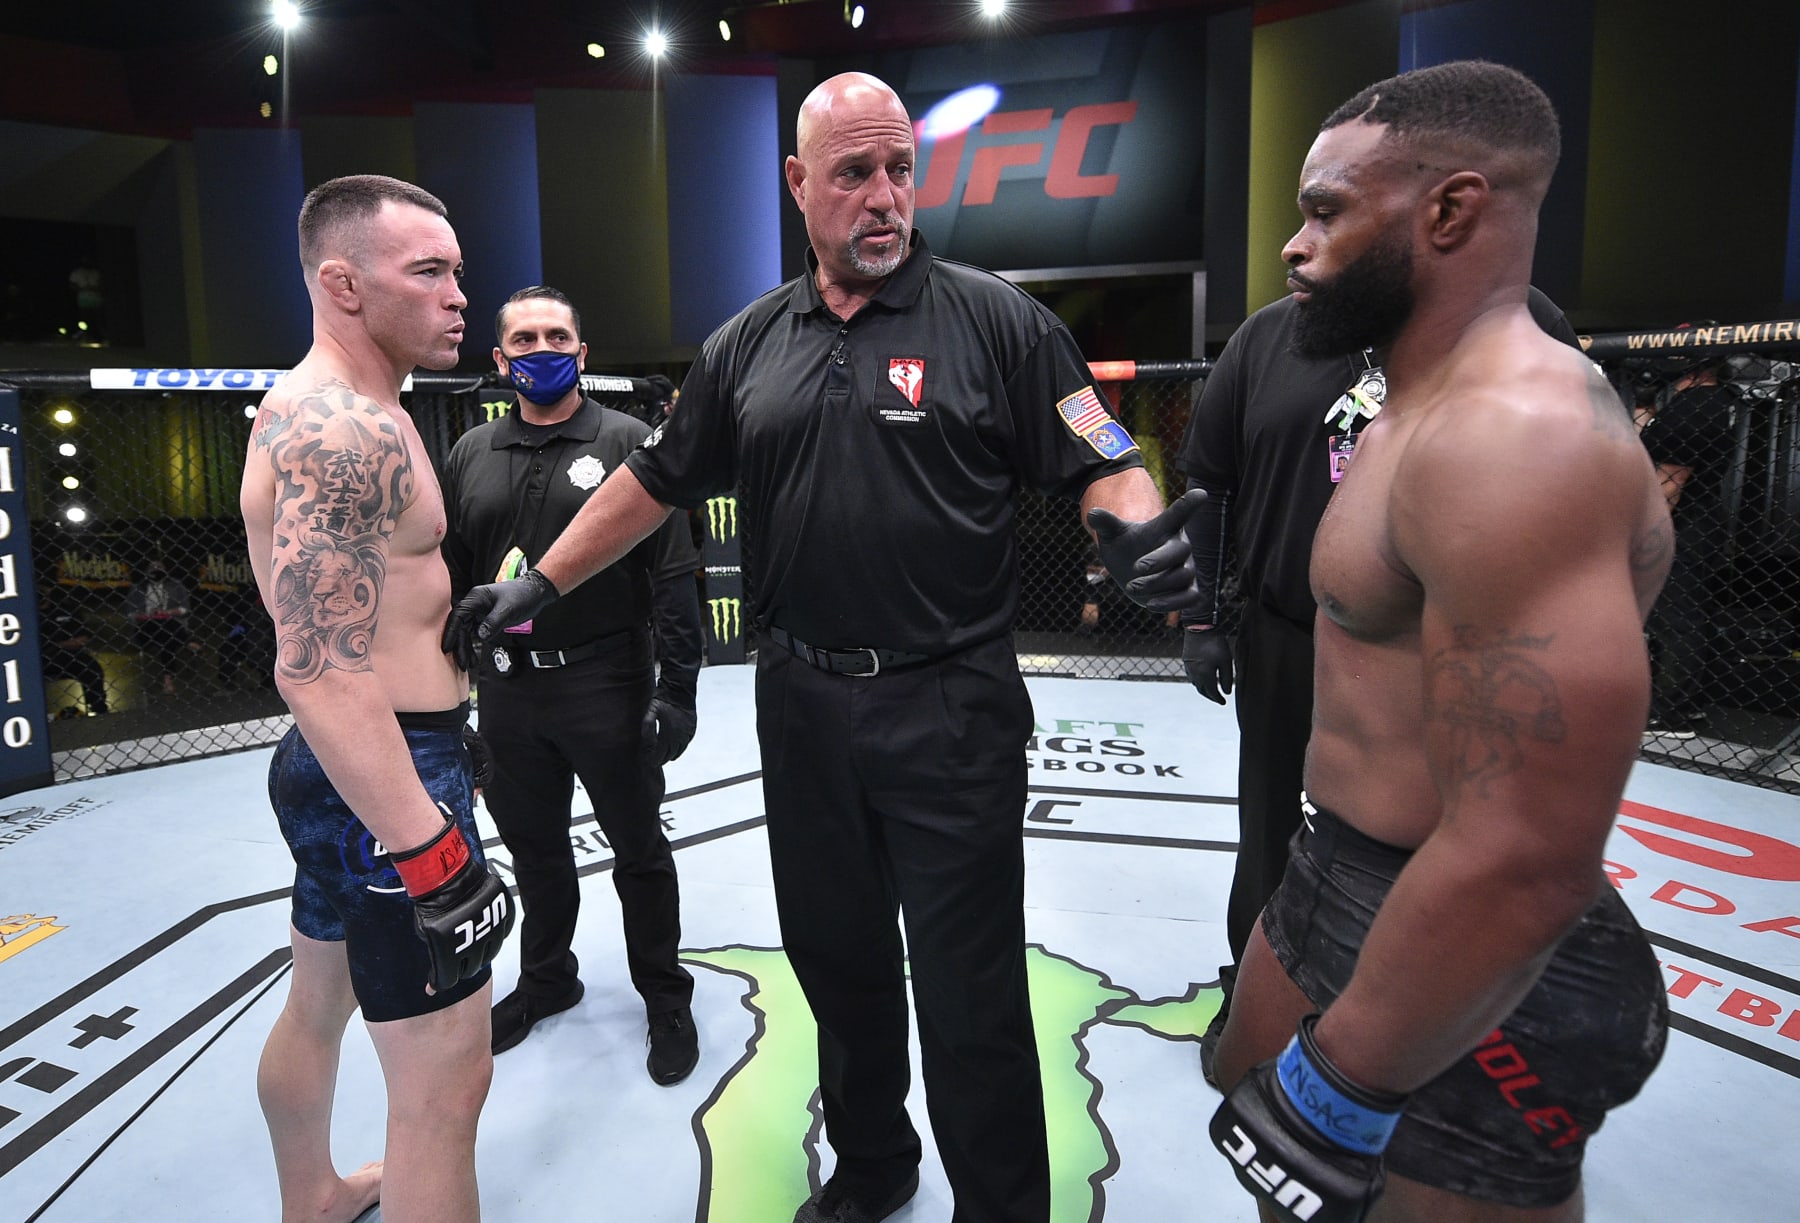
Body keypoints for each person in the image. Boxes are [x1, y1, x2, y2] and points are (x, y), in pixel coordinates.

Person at [443, 72, 1202, 1223]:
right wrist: (541, 579)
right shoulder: (748, 343)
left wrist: (1137, 533)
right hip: (802, 707)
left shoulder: (1002, 322)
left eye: (900, 168)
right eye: (854, 172)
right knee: (837, 963)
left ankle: (1002, 1206)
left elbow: (1102, 454)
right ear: (800, 185)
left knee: (970, 988)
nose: (885, 195)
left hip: (953, 703)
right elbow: (655, 480)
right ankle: (874, 1166)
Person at [1206, 61, 1671, 1223]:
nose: (1293, 247)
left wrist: (1349, 1073)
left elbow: (1524, 851)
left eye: (1325, 211)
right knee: (1243, 1093)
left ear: (1451, 211)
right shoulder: (1407, 399)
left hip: (1458, 914)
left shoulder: (1517, 438)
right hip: (1341, 865)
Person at [1177, 286, 1582, 1087]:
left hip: (1455, 650)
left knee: (1448, 837)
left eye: (1329, 212)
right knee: (1270, 824)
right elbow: (1209, 481)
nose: (1298, 244)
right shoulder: (1267, 337)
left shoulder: (1519, 327)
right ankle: (1254, 992)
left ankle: (1438, 1022)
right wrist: (1201, 617)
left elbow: (1575, 481)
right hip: (1290, 635)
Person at [240, 174, 512, 1223]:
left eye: (458, 272)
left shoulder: (356, 409)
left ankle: (311, 1193)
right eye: (429, 272)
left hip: (345, 768)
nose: (458, 297)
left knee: (318, 1001)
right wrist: (430, 849)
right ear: (344, 283)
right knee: (444, 1084)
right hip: (387, 777)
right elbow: (315, 666)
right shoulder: (341, 425)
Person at [440, 285, 705, 1081]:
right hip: (509, 693)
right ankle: (549, 978)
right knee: (534, 850)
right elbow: (450, 588)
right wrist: (453, 701)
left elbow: (675, 575)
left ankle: (665, 996)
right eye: (524, 338)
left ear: (583, 353)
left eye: (557, 334)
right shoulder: (469, 452)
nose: (541, 348)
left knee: (639, 850)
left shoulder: (631, 440)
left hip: (608, 684)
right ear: (500, 358)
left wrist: (677, 692)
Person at [1640, 347, 1738, 739]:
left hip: (1681, 523)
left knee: (1676, 617)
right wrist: (1645, 400)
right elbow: (1642, 447)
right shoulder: (1706, 401)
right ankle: (1686, 703)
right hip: (1698, 520)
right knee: (1680, 614)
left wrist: (1650, 538)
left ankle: (1671, 712)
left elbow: (1671, 481)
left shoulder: (1696, 407)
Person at [124, 558, 196, 695]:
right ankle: (187, 642)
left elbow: (185, 609)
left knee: (166, 638)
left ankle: (167, 679)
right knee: (165, 632)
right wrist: (146, 615)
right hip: (147, 626)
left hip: (170, 624)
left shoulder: (175, 585)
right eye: (153, 567)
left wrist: (167, 612)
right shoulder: (138, 588)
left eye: (159, 567)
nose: (156, 569)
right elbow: (130, 613)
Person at [40, 585, 110, 715]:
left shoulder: (65, 608)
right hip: (38, 658)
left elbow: (83, 637)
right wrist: (64, 643)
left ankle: (99, 709)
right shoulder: (24, 614)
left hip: (70, 655)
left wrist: (58, 644)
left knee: (91, 668)